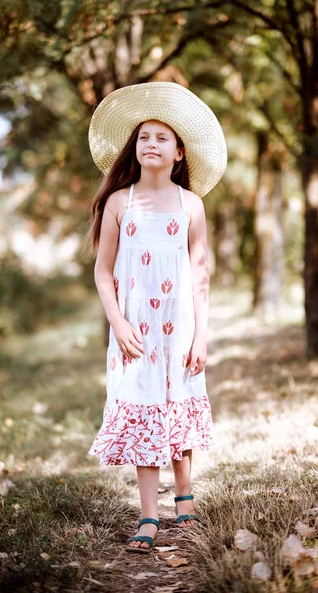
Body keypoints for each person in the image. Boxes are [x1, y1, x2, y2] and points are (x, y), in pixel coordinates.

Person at [84, 81, 227, 553]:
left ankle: (184, 498)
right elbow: (104, 273)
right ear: (135, 146)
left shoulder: (191, 206)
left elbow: (200, 277)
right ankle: (149, 516)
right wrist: (118, 323)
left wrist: (201, 336)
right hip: (135, 332)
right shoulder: (120, 203)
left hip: (180, 327)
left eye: (162, 137)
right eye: (144, 136)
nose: (151, 144)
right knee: (145, 405)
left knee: (179, 403)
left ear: (180, 152)